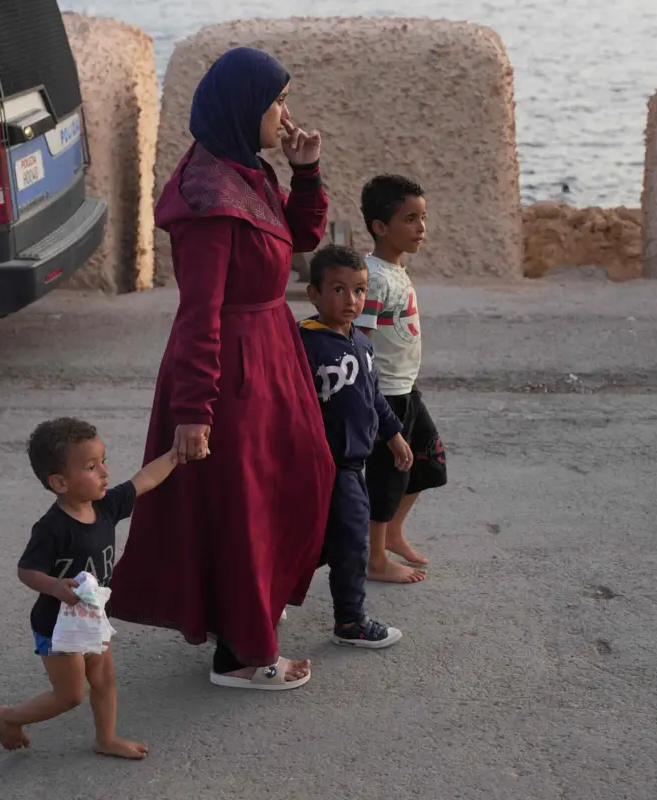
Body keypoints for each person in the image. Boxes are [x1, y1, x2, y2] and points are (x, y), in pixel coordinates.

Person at [107, 47, 335, 691]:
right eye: (277, 101)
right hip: (233, 373)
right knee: (244, 510)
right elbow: (198, 314)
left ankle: (250, 624)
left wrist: (306, 171)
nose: (285, 113)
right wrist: (193, 411)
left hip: (270, 356)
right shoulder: (208, 200)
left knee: (293, 483)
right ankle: (242, 655)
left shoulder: (246, 172)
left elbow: (301, 239)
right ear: (245, 107)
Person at [0, 417, 179, 758]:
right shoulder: (52, 528)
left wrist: (175, 455)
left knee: (104, 679)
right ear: (60, 482)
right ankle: (9, 717)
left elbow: (145, 479)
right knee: (70, 695)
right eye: (92, 467)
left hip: (92, 618)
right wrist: (54, 586)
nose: (105, 473)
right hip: (57, 625)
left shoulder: (106, 506)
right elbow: (26, 571)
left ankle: (105, 738)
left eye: (103, 461)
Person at [299, 244, 413, 648]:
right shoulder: (302, 345)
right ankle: (350, 621)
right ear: (313, 293)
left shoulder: (361, 344)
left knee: (326, 541)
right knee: (347, 542)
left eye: (360, 290)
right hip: (320, 466)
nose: (351, 300)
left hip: (353, 465)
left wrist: (394, 434)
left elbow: (373, 397)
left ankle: (267, 597)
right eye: (338, 290)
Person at [356, 175, 448, 584]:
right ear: (380, 227)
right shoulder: (374, 277)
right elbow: (360, 340)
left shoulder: (394, 269)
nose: (421, 228)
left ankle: (393, 532)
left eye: (423, 218)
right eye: (410, 219)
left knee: (428, 462)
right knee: (387, 476)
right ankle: (375, 559)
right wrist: (370, 400)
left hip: (407, 388)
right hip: (386, 395)